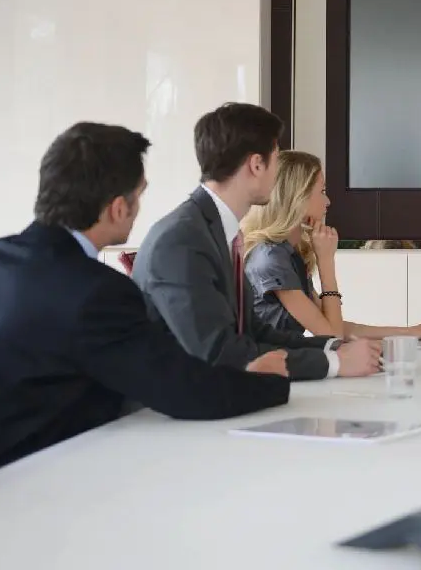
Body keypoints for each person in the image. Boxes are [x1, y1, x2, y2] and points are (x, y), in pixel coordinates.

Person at [0, 123, 290, 500]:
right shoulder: (95, 290)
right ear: (118, 208)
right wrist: (266, 381)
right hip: (13, 505)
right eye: (139, 196)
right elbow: (181, 391)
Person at [132, 103, 381, 381]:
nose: (278, 174)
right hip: (179, 409)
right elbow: (218, 353)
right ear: (257, 164)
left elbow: (254, 333)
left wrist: (335, 348)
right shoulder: (182, 240)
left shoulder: (216, 230)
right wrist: (333, 363)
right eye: (276, 160)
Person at [241, 150, 421, 341]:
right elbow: (331, 336)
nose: (327, 201)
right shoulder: (270, 258)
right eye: (322, 191)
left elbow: (335, 326)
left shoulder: (286, 253)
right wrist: (326, 262)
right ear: (297, 198)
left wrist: (409, 332)